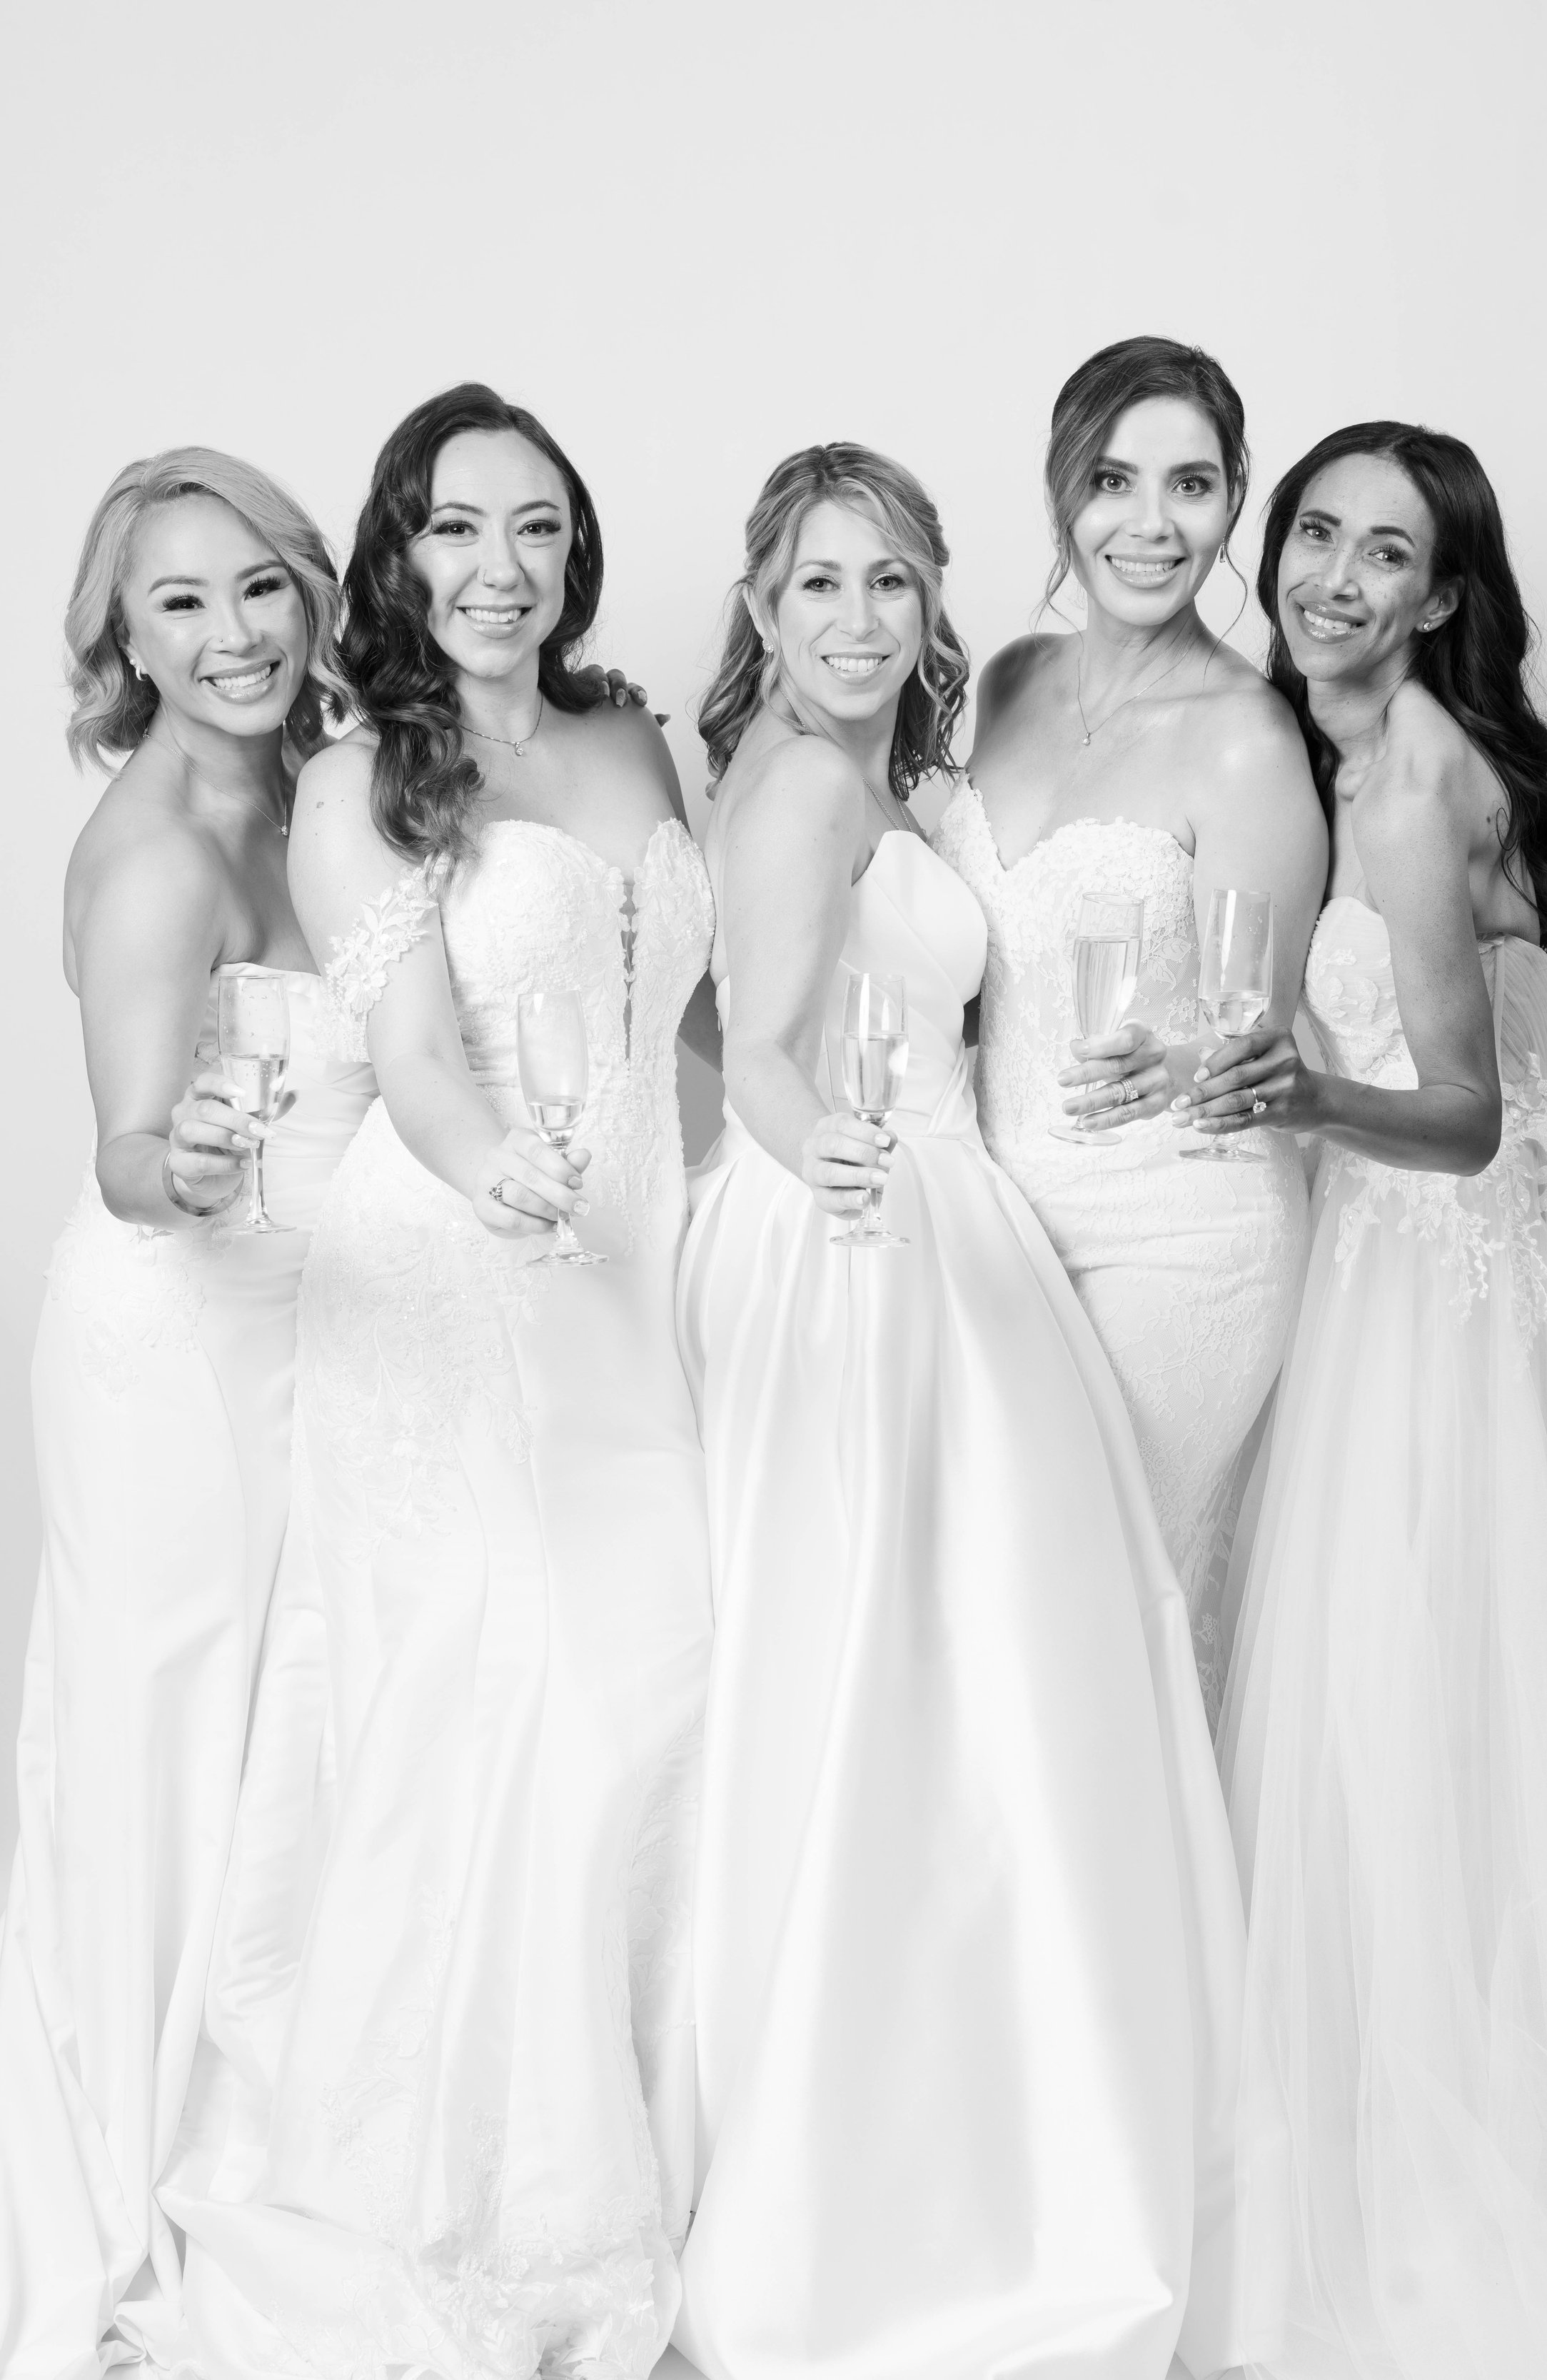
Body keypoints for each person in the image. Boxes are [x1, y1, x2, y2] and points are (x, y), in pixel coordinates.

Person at [1188, 421, 1547, 2376]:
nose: (1336, 579)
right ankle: (1386, 2099)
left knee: (1415, 1697)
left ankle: (1449, 2154)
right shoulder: (1322, 749)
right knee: (1428, 1705)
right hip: (1435, 1266)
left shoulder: (1410, 780)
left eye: (1387, 557)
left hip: (1445, 1280)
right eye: (1316, 538)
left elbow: (1451, 1114)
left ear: (1443, 594)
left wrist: (1293, 1092)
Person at [672, 442, 1250, 2380]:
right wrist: (820, 1157)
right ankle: (887, 2181)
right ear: (762, 607)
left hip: (947, 1218)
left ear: (932, 607)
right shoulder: (797, 778)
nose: (854, 619)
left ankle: (999, 2137)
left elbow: (785, 996)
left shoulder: (899, 778)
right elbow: (747, 1045)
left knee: (985, 1686)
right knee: (875, 1684)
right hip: (856, 1233)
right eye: (817, 584)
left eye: (890, 585)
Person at [168, 384, 717, 2378]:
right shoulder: (355, 776)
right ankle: (488, 2196)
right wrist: (507, 1178)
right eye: (460, 530)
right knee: (518, 1697)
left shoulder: (628, 733)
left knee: (671, 1683)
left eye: (541, 528)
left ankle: (673, 2135)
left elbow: (701, 1018)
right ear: (398, 554)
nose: (504, 568)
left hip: (637, 1257)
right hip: (457, 1266)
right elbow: (406, 1052)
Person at [0, 450, 379, 2376]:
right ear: (120, 639)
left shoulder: (323, 794)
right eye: (177, 603)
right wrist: (203, 1173)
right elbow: (132, 1154)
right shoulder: (150, 849)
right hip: (172, 1336)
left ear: (310, 594)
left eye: (258, 588)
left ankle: (247, 2139)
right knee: (163, 1732)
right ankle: (116, 2186)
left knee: (278, 1733)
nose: (229, 634)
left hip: (315, 1332)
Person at [934, 336, 1324, 1715]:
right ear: (1061, 493)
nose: (1151, 524)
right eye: (1114, 480)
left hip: (1182, 1238)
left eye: (1193, 485)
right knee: (981, 1611)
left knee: (1096, 1624)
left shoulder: (1248, 741)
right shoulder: (1008, 683)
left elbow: (1258, 1038)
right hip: (995, 1227)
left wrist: (1184, 1061)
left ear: (1232, 504)